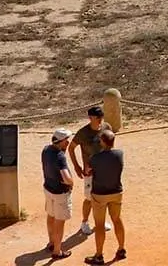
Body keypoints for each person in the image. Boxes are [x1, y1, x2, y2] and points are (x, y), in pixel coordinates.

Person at [68, 106, 113, 236]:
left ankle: (100, 221)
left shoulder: (106, 128)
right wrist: (76, 166)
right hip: (89, 171)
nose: (100, 120)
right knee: (89, 198)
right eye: (97, 117)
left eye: (101, 117)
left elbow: (110, 145)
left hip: (103, 170)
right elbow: (71, 148)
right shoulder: (83, 133)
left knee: (103, 197)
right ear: (90, 118)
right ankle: (85, 222)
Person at [85, 129, 126, 265]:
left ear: (102, 142)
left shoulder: (95, 158)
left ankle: (99, 255)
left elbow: (88, 171)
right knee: (117, 220)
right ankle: (121, 249)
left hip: (99, 195)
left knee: (99, 225)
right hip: (116, 192)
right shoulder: (119, 154)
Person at [42, 128, 76, 260]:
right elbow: (66, 178)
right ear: (60, 142)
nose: (68, 143)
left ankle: (51, 242)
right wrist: (71, 183)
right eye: (66, 141)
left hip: (48, 189)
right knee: (59, 221)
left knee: (50, 216)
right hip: (60, 193)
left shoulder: (46, 150)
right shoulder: (60, 156)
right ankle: (57, 251)